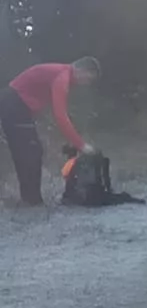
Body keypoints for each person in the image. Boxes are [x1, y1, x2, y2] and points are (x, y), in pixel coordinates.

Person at [2, 58, 99, 206]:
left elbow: (48, 106)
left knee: (31, 151)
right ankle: (31, 201)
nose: (86, 84)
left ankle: (30, 199)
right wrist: (81, 145)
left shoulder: (60, 73)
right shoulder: (62, 77)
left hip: (15, 104)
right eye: (88, 78)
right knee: (30, 152)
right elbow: (60, 115)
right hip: (13, 104)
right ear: (82, 71)